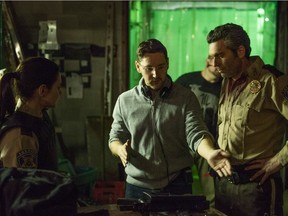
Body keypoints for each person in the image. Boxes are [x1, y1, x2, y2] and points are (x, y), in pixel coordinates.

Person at [108, 39, 228, 200]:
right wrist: (120, 149)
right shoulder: (125, 100)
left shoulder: (185, 97)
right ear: (138, 67)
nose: (156, 74)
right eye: (149, 68)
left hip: (177, 184)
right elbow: (115, 137)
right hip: (137, 187)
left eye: (161, 67)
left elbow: (196, 132)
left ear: (168, 64)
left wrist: (209, 153)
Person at [205, 23, 288, 216]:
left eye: (220, 55)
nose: (214, 64)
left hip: (257, 186)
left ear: (240, 51)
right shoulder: (227, 80)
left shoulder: (271, 81)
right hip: (225, 184)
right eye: (212, 57)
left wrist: (279, 160)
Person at [0, 57, 62, 171]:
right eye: (58, 87)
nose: (60, 93)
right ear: (42, 90)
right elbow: (20, 186)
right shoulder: (21, 136)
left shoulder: (41, 117)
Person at [175, 59, 222, 206]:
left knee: (211, 192)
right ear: (207, 61)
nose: (216, 63)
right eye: (213, 58)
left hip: (208, 144)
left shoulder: (226, 86)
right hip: (182, 143)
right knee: (178, 187)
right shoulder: (187, 80)